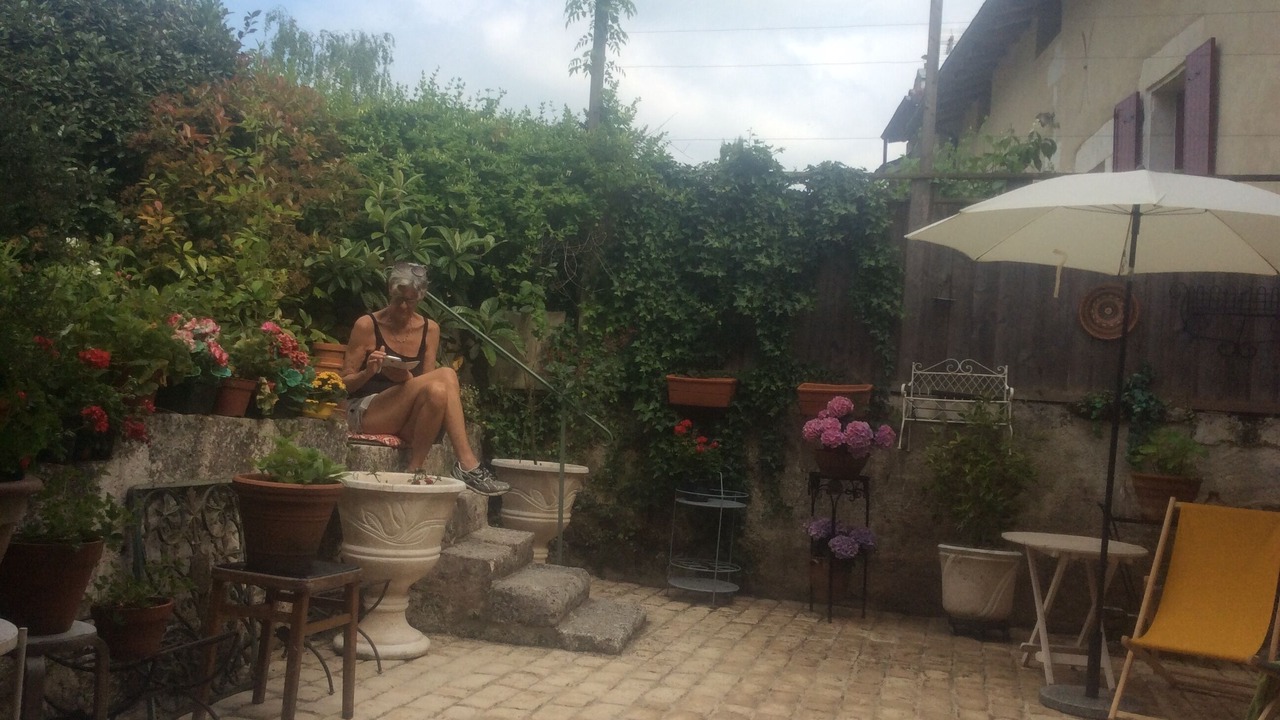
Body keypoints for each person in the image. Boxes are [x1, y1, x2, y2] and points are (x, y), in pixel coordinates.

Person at [341, 262, 508, 496]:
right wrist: (368, 372)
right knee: (447, 374)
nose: (402, 306)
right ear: (390, 291)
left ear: (420, 298)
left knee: (439, 391)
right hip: (366, 413)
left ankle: (414, 469)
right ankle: (468, 465)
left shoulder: (430, 329)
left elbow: (429, 384)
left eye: (410, 301)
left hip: (409, 421)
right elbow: (343, 384)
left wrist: (405, 376)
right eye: (398, 298)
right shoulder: (367, 324)